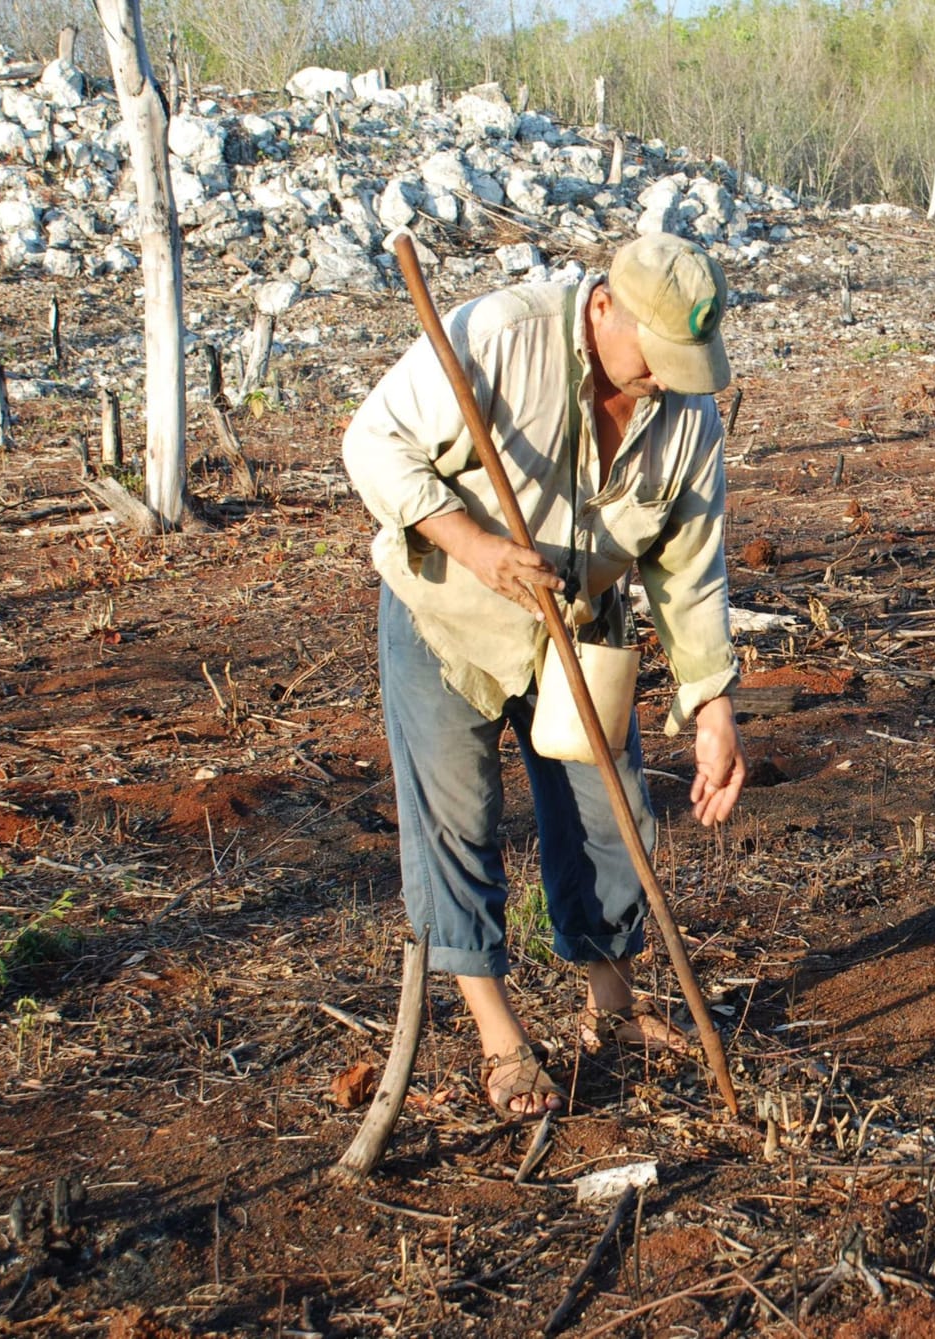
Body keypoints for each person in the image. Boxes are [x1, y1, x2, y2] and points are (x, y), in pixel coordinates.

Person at [343, 233, 748, 1118]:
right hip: (450, 614)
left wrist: (711, 700)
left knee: (610, 814)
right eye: (657, 357)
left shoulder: (686, 412)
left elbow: (691, 564)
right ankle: (500, 1036)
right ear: (603, 307)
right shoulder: (496, 335)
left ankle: (614, 1003)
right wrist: (478, 547)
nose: (668, 380)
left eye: (685, 365)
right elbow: (372, 444)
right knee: (458, 817)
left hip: (581, 627)